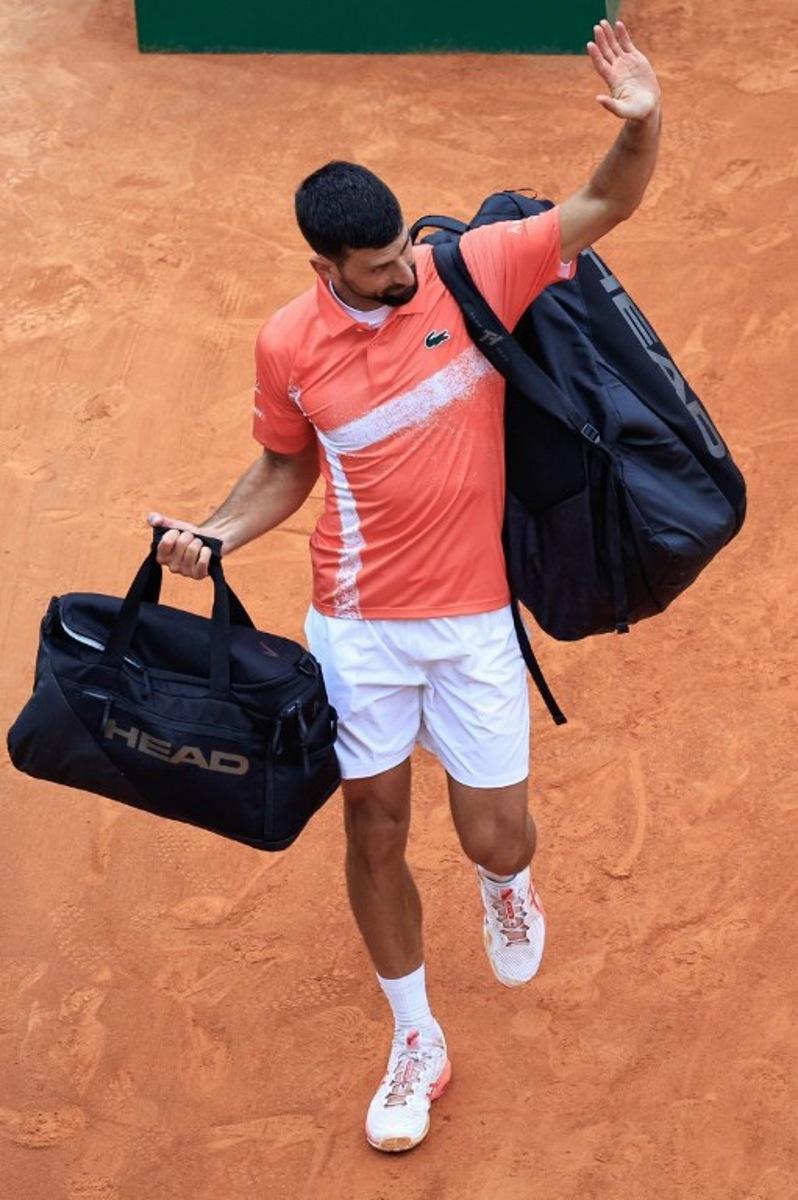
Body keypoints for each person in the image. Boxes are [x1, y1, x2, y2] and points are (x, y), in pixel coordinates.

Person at [148, 20, 661, 1154]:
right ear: (323, 269)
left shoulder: (469, 272)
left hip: (472, 622)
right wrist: (214, 535)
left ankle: (504, 888)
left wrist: (642, 122)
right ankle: (417, 1037)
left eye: (399, 251)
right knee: (373, 826)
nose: (400, 272)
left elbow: (604, 201)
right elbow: (286, 466)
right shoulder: (289, 345)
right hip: (356, 626)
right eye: (377, 265)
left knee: (498, 836)